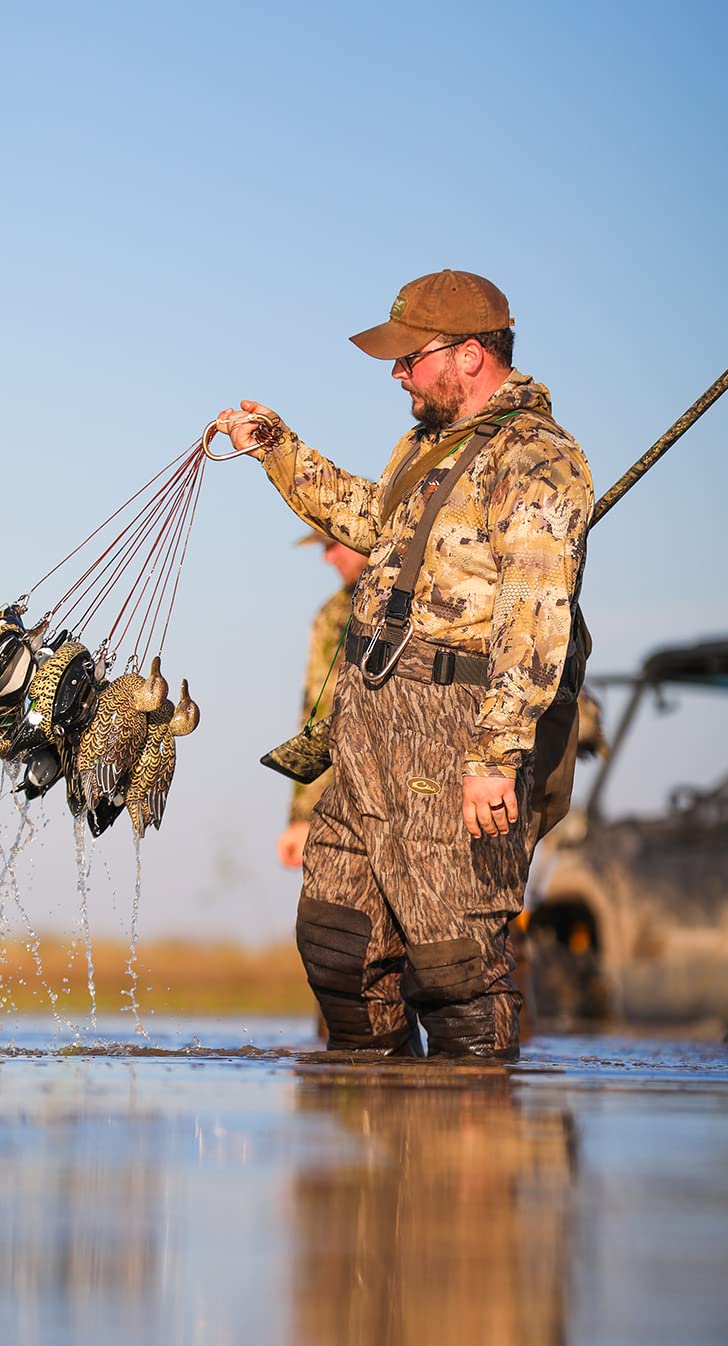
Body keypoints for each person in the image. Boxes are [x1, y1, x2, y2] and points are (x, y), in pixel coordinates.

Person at [218, 269, 593, 1059]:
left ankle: (473, 1150)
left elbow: (534, 614)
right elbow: (368, 519)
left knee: (454, 968)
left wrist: (496, 756)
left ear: (468, 355)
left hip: (455, 730)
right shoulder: (428, 448)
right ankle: (375, 1138)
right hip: (370, 718)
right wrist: (277, 449)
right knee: (337, 944)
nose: (397, 374)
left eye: (409, 357)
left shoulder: (538, 458)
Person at [277, 533, 368, 868]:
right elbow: (320, 715)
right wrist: (304, 817)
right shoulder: (334, 615)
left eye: (333, 544)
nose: (327, 558)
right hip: (351, 805)